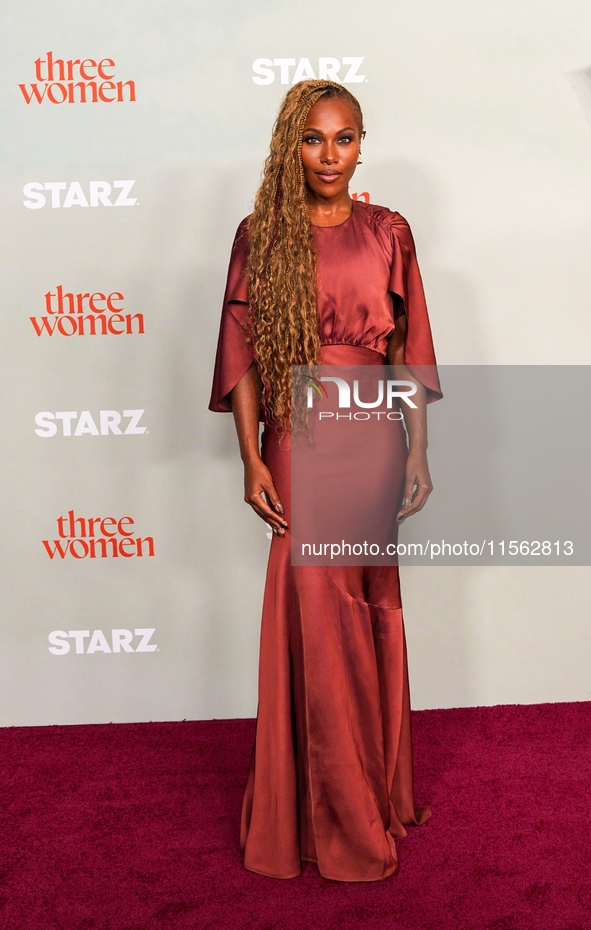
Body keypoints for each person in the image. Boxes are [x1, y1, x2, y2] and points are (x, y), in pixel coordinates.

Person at [209, 80, 442, 882]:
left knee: (363, 608)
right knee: (315, 612)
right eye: (313, 140)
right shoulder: (259, 234)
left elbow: (409, 343)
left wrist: (414, 450)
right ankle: (322, 810)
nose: (330, 156)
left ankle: (366, 793)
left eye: (344, 139)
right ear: (290, 145)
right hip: (300, 436)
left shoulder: (388, 230)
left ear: (361, 144)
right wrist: (252, 455)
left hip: (373, 438)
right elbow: (239, 356)